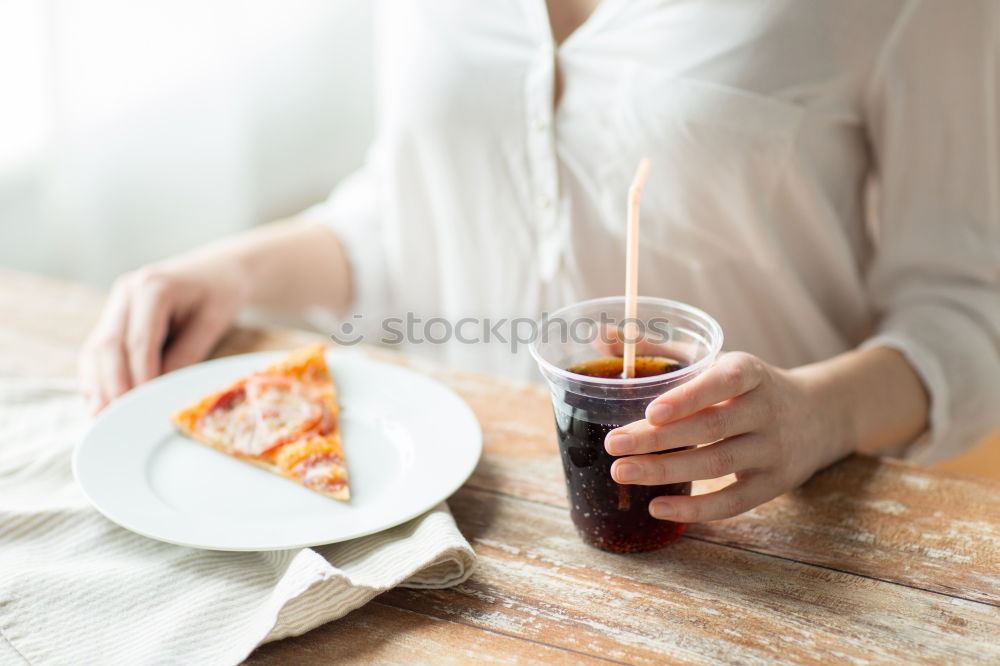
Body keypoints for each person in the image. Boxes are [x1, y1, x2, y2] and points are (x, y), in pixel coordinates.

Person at [80, 1, 1000, 523]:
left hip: (749, 538)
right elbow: (420, 213)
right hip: (440, 514)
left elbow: (969, 311)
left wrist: (818, 416)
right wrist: (229, 273)